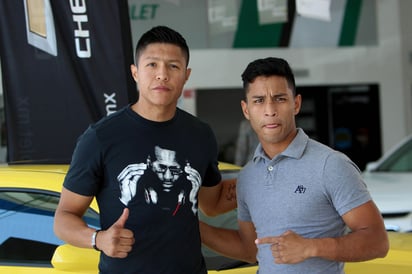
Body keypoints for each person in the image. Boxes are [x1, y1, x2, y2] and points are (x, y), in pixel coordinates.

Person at [54, 25, 236, 274]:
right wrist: (99, 239)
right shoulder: (100, 137)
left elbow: (211, 205)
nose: (162, 75)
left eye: (173, 66)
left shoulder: (200, 134)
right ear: (135, 72)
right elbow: (64, 217)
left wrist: (263, 178)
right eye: (152, 65)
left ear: (186, 75)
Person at [200, 57, 389, 273]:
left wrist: (311, 247)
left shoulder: (330, 165)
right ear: (246, 110)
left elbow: (377, 241)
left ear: (296, 104)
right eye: (259, 100)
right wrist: (194, 230)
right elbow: (250, 249)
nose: (269, 110)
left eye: (279, 99)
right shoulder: (248, 176)